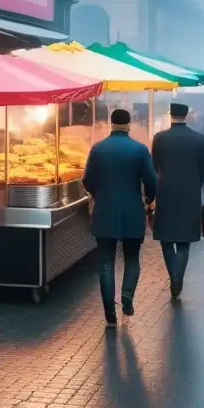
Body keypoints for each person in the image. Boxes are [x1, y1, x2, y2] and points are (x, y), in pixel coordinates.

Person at [83, 109, 157, 324]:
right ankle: (127, 297)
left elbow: (87, 180)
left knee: (106, 263)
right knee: (132, 259)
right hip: (133, 211)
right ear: (129, 124)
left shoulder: (98, 149)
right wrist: (149, 199)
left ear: (110, 123)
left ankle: (109, 312)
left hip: (104, 211)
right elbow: (151, 181)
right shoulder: (140, 150)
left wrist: (98, 194)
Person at [152, 103, 204, 298]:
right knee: (185, 241)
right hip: (190, 193)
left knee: (166, 239)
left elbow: (154, 166)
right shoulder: (198, 139)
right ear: (187, 115)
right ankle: (178, 277)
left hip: (166, 191)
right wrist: (196, 182)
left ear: (171, 115)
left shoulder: (160, 138)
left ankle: (174, 277)